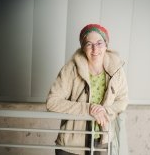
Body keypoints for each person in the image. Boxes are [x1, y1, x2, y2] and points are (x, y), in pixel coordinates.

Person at [46, 24, 128, 155]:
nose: (95, 49)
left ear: (106, 45)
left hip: (103, 141)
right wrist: (88, 109)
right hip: (71, 144)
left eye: (99, 43)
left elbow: (122, 101)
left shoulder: (117, 70)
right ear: (83, 47)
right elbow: (52, 102)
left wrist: (105, 110)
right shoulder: (71, 69)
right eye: (89, 44)